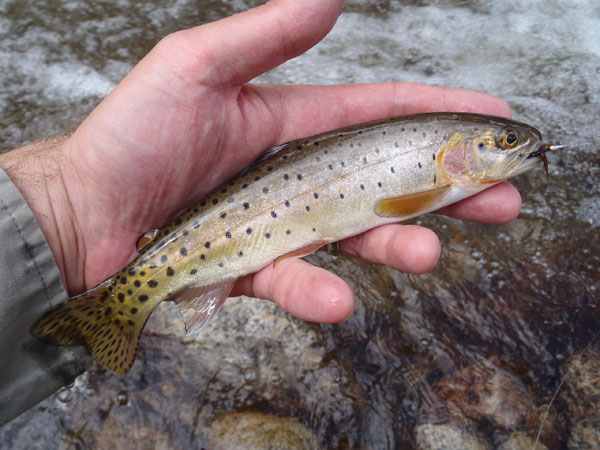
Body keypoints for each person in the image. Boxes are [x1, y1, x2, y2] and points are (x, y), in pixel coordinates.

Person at [0, 0, 521, 425]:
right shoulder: (435, 176)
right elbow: (395, 204)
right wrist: (70, 200)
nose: (512, 149)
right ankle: (117, 305)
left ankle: (117, 303)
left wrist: (63, 211)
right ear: (457, 151)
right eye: (503, 142)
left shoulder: (442, 165)